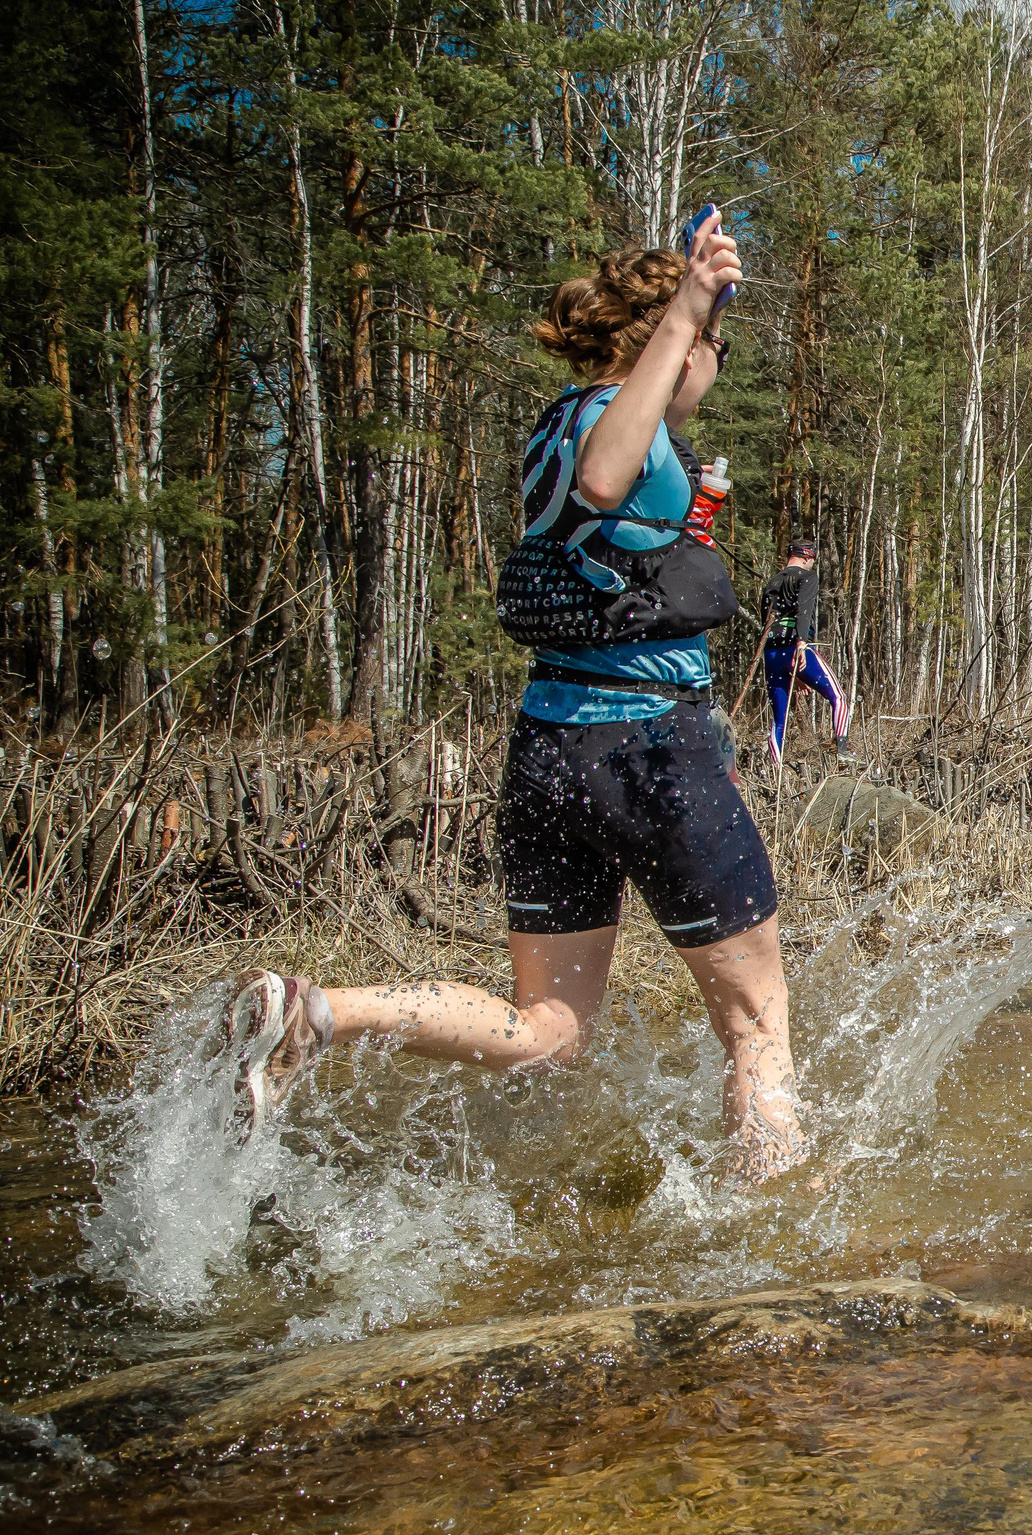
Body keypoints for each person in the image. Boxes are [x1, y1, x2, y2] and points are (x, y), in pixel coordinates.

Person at [222, 211, 810, 1182]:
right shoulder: (626, 429)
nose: (716, 364)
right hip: (652, 755)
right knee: (756, 1022)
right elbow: (608, 475)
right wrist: (690, 307)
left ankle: (319, 1012)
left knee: (549, 1031)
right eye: (716, 347)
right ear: (673, 342)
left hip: (550, 754)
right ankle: (777, 1248)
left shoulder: (552, 422)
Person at [757, 539, 852, 772]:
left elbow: (765, 620)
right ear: (807, 557)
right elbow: (804, 610)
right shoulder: (807, 578)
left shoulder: (771, 582)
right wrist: (801, 643)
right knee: (838, 698)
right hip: (796, 648)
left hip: (771, 653)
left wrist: (794, 675)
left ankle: (775, 772)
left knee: (779, 719)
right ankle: (842, 751)